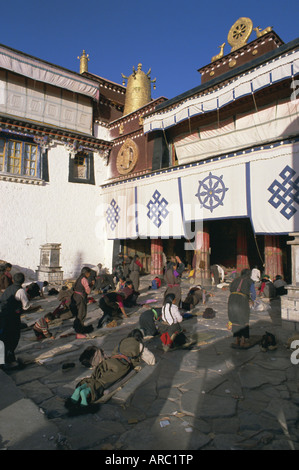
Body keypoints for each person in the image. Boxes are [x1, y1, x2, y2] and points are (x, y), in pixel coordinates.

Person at [65, 329, 155, 411]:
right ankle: (87, 391)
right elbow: (151, 360)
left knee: (97, 377)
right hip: (120, 365)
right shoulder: (138, 345)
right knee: (103, 382)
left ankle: (81, 387)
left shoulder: (122, 341)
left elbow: (114, 353)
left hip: (109, 361)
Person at [0, 272, 41, 367]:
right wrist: (36, 307)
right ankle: (8, 360)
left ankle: (5, 358)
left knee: (4, 337)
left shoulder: (9, 288)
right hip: (12, 318)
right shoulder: (20, 291)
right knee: (13, 337)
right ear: (23, 281)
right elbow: (26, 306)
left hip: (3, 315)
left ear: (13, 280)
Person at [228, 268, 256, 349]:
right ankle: (242, 341)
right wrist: (252, 300)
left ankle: (237, 340)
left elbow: (231, 288)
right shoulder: (249, 281)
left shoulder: (236, 280)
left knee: (235, 318)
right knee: (244, 319)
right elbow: (253, 293)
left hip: (232, 299)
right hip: (242, 300)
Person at [71, 267, 94, 334]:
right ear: (86, 273)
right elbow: (88, 291)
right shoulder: (84, 279)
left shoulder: (79, 278)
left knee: (78, 313)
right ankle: (80, 331)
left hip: (75, 296)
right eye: (89, 273)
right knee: (82, 313)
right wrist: (91, 285)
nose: (89, 274)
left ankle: (76, 326)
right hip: (81, 297)